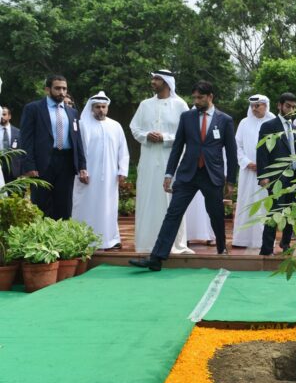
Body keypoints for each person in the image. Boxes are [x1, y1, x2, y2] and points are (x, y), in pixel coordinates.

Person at [129, 81, 237, 271]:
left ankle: (222, 248)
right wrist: (169, 173)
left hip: (212, 175)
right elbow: (177, 147)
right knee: (173, 214)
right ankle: (156, 257)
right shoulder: (187, 117)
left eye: (200, 97)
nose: (196, 101)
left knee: (216, 214)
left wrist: (231, 180)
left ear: (210, 97)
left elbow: (231, 152)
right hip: (188, 174)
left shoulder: (225, 120)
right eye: (194, 97)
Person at [130, 70, 192, 254]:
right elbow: (135, 127)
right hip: (148, 160)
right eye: (153, 78)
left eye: (157, 79)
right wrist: (146, 135)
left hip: (171, 161)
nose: (153, 82)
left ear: (166, 82)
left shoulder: (180, 105)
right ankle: (146, 243)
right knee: (147, 199)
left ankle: (173, 244)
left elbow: (187, 133)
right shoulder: (145, 104)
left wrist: (165, 137)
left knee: (171, 199)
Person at [20, 75, 88, 219]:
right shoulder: (33, 109)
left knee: (64, 205)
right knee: (41, 205)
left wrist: (82, 165)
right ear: (47, 89)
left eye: (64, 89)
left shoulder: (72, 112)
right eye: (57, 88)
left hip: (66, 162)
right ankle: (41, 239)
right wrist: (29, 165)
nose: (61, 92)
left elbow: (77, 141)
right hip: (42, 163)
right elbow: (26, 140)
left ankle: (61, 238)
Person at [72, 91, 129, 250]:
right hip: (87, 175)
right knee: (85, 206)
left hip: (110, 176)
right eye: (97, 107)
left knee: (109, 206)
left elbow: (122, 149)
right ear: (92, 108)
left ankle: (110, 240)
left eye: (103, 107)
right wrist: (81, 170)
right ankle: (82, 239)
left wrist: (122, 170)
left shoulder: (115, 125)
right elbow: (78, 150)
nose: (101, 110)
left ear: (107, 108)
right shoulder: (83, 125)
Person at [256, 93, 296, 256]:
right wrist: (263, 176)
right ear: (279, 105)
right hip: (276, 178)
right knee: (275, 212)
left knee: (292, 212)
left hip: (294, 177)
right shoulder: (269, 126)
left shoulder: (294, 128)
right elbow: (262, 152)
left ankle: (286, 243)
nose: (291, 110)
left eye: (294, 107)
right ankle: (266, 248)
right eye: (288, 106)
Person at [232, 94, 276, 248]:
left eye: (258, 105)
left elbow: (278, 148)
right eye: (252, 106)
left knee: (264, 204)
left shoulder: (273, 121)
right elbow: (237, 146)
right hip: (247, 170)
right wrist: (246, 162)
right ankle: (241, 240)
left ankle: (261, 241)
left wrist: (265, 164)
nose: (254, 108)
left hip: (267, 173)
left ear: (266, 105)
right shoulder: (244, 123)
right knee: (246, 202)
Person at [1, 106, 21, 182]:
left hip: (14, 170)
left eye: (4, 114)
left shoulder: (18, 132)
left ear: (9, 116)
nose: (1, 116)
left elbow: (22, 153)